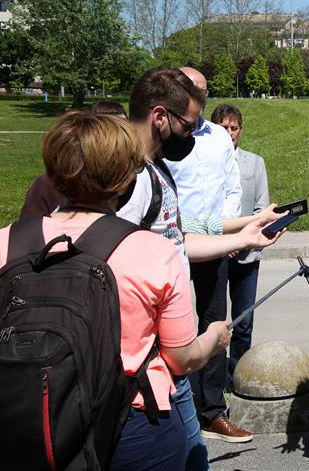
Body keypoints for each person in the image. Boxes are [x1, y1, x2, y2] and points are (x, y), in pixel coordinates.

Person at [0, 112, 237, 470]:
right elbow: (181, 358)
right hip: (131, 424)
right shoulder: (152, 250)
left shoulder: (6, 241)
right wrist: (214, 338)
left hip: (26, 417)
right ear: (125, 175)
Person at [118, 66, 283, 466]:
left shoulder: (151, 171)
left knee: (192, 453)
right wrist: (202, 342)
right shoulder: (133, 180)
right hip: (145, 363)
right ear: (160, 117)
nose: (194, 134)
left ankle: (206, 416)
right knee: (188, 456)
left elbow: (178, 234)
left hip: (160, 361)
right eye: (189, 125)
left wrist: (246, 232)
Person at [163, 67, 250, 443]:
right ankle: (170, 402)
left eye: (202, 89)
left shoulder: (217, 138)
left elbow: (232, 187)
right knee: (170, 325)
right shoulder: (165, 138)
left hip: (213, 245)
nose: (198, 94)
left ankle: (212, 411)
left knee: (216, 326)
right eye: (190, 89)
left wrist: (226, 232)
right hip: (169, 247)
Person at [210, 103, 270, 386]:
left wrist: (242, 239)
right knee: (214, 321)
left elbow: (261, 208)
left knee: (243, 321)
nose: (230, 133)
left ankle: (238, 376)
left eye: (234, 128)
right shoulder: (205, 163)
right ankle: (213, 378)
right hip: (214, 254)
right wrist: (224, 242)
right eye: (224, 128)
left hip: (247, 254)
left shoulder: (254, 163)